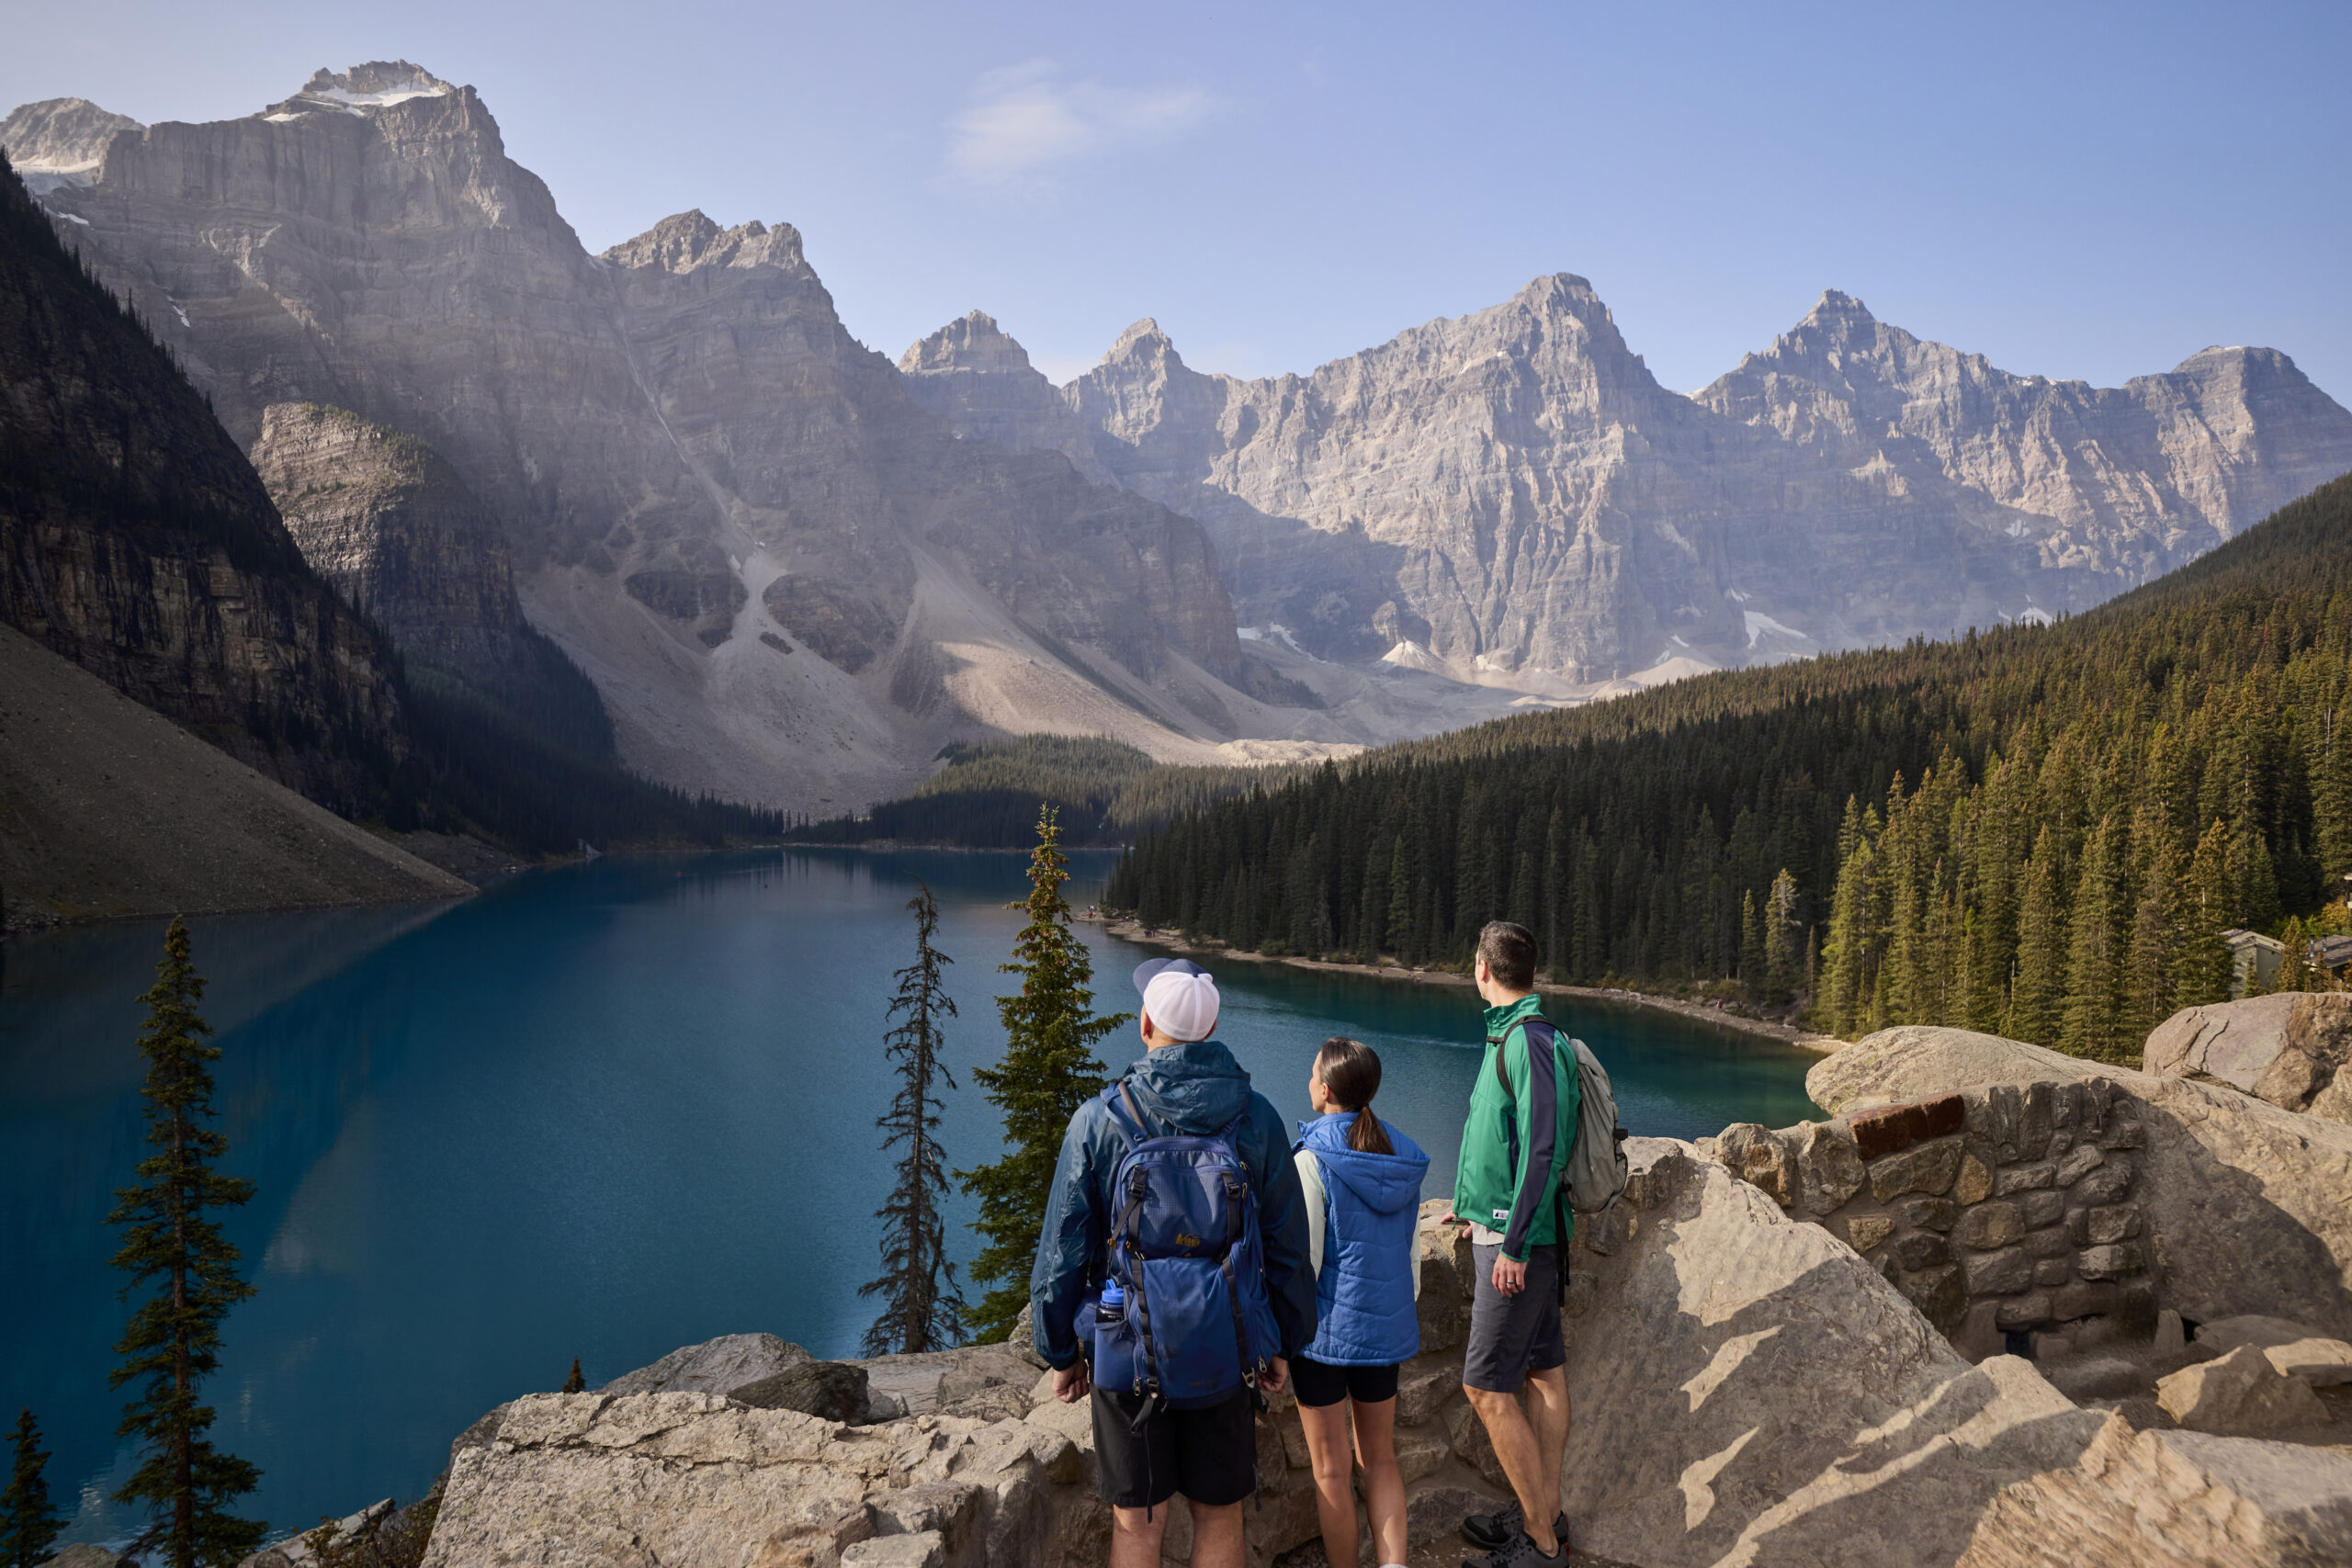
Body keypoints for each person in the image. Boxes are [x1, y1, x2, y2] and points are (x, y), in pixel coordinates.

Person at [1032, 958, 1318, 1568]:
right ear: (1211, 1025)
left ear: (1145, 1024)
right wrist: (1283, 1341)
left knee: (1138, 1523)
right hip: (1227, 1345)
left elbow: (1063, 1251)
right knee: (1219, 1514)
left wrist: (1061, 1352)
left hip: (1128, 1347)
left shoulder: (1100, 1120)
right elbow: (1288, 1246)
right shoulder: (1257, 1118)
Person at [1453, 921, 1578, 1566]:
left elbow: (1542, 1150)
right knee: (1545, 1376)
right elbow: (1504, 1143)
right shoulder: (1516, 1033)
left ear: (1483, 968)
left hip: (1517, 1243)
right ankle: (1546, 1510)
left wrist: (1513, 1243)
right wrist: (1470, 1209)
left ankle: (1538, 1540)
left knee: (1484, 1386)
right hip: (1510, 1228)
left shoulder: (1526, 1040)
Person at [1291, 1037, 1429, 1568]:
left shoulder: (1312, 1159)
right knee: (1381, 1459)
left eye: (1310, 1075)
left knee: (1331, 1470)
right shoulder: (1400, 1154)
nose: (1307, 1083)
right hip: (1385, 1332)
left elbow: (1307, 1261)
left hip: (1323, 1338)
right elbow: (1411, 1261)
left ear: (1325, 1091)